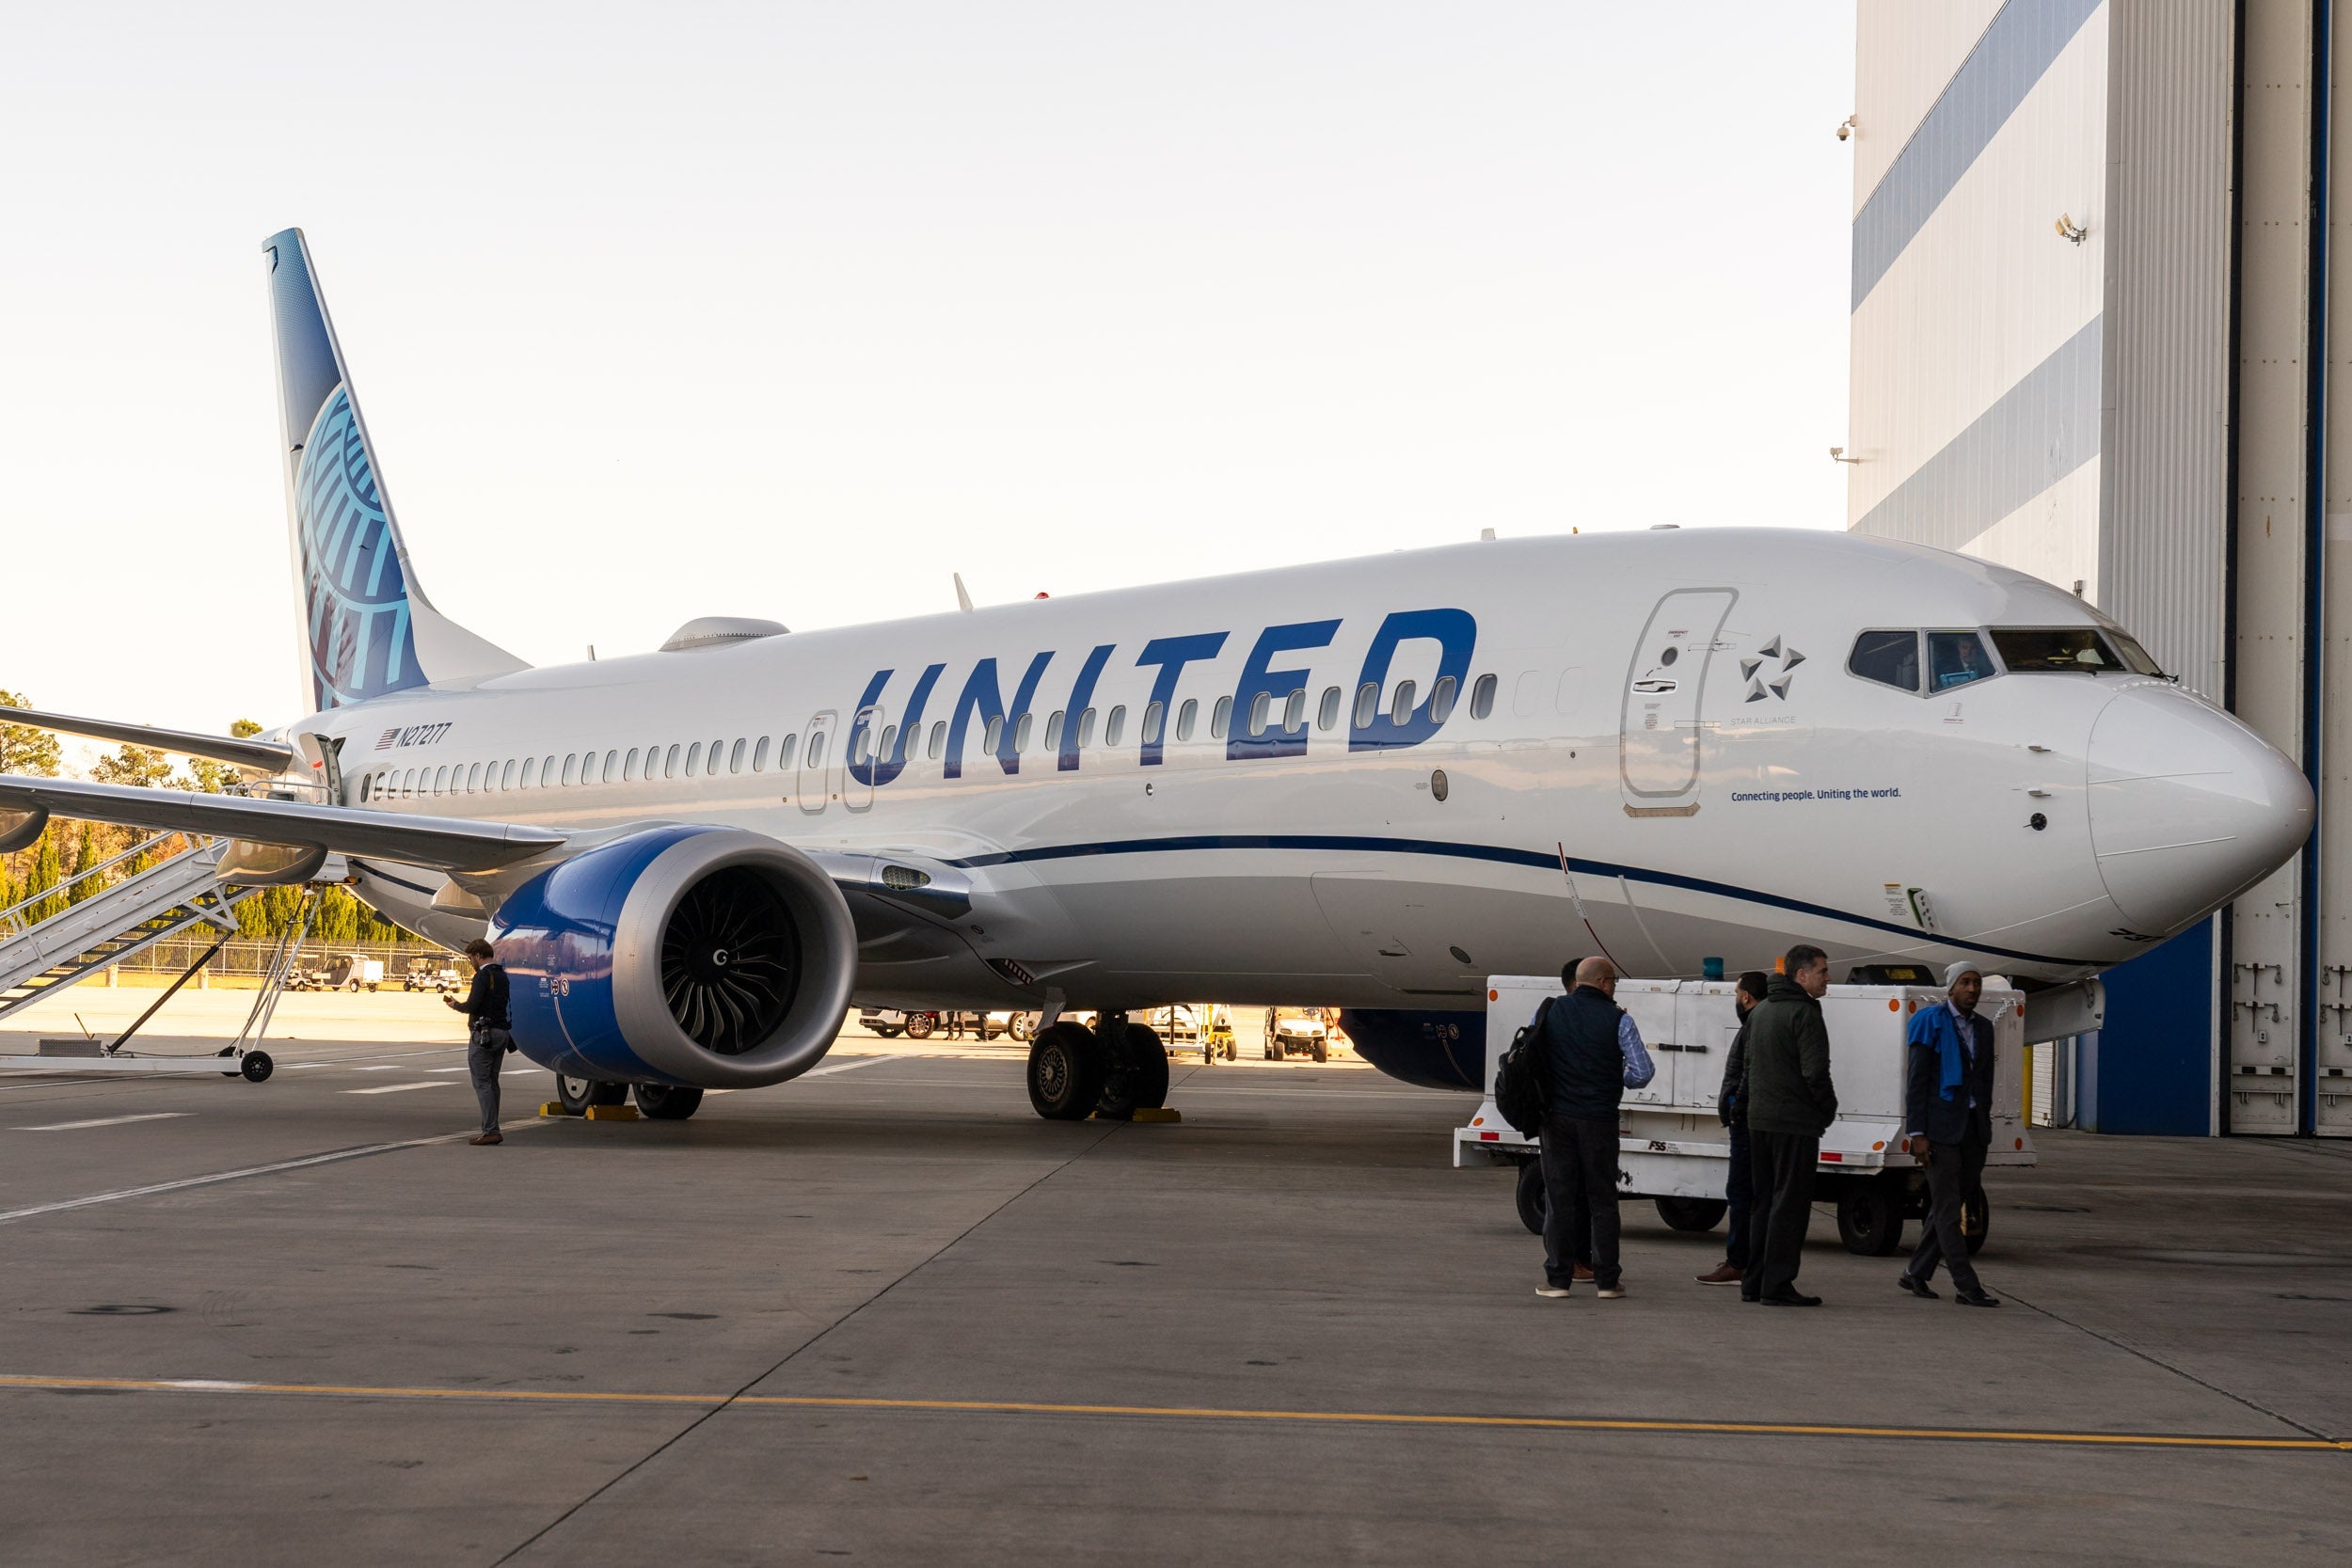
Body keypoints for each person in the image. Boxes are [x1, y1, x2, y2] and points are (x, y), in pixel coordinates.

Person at [1534, 956, 1657, 1301]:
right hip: (1600, 1120)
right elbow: (1643, 1071)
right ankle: (1607, 1281)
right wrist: (1614, 1077)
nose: (1615, 986)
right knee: (1603, 1200)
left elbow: (1531, 1055)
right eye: (1613, 980)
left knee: (1560, 1200)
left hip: (1557, 1119)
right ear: (1603, 982)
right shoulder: (1619, 1019)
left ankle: (1558, 1280)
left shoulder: (1549, 1011)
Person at [1899, 961, 2002, 1307]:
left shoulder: (1985, 1029)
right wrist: (1917, 1133)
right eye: (1966, 983)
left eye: (1977, 983)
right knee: (1947, 1211)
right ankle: (1966, 1284)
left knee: (1949, 1205)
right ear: (1951, 988)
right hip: (1939, 1130)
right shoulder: (1930, 1023)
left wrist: (1984, 1122)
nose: (1973, 989)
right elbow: (1917, 1083)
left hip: (1973, 1129)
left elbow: (1984, 1082)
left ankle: (1916, 1273)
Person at [1741, 944, 1837, 1306]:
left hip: (1760, 1120)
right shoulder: (1806, 1013)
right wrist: (1827, 1110)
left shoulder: (1762, 1010)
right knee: (1790, 1205)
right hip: (1794, 1123)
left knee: (1763, 1202)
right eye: (1822, 971)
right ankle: (1778, 1285)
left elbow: (1747, 1067)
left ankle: (1754, 1282)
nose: (1828, 978)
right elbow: (1815, 1072)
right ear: (1801, 976)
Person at [1695, 970, 1771, 1287]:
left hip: (1748, 1122)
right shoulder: (1763, 1022)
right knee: (1754, 1194)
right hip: (1755, 1119)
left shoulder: (1754, 1025)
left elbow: (1750, 1072)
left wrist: (1734, 1105)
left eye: (1736, 993)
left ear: (1746, 996)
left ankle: (1738, 1262)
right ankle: (1747, 1260)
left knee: (1740, 1194)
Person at [444, 938, 513, 1146]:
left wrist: (455, 1004)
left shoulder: (483, 976)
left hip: (485, 1035)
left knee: (482, 1083)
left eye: (470, 958)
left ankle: (491, 1130)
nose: (471, 963)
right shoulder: (502, 975)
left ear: (477, 955)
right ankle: (492, 1126)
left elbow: (472, 1005)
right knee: (492, 1082)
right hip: (502, 1033)